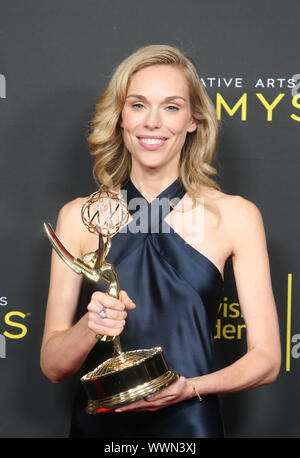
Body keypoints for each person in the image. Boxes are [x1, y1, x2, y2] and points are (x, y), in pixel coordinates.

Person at [40, 44, 281, 438]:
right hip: (101, 427)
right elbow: (53, 367)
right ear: (120, 117)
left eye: (171, 107)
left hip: (191, 425)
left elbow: (268, 360)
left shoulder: (236, 216)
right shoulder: (79, 217)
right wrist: (91, 325)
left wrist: (191, 388)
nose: (153, 122)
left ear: (192, 120)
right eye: (138, 105)